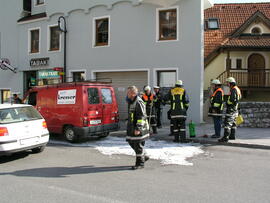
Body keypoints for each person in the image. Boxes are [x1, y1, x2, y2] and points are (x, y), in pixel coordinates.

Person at [126, 86, 150, 170]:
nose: (127, 94)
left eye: (128, 92)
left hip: (139, 128)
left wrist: (138, 128)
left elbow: (142, 117)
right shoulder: (131, 101)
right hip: (132, 127)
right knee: (131, 142)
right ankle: (144, 156)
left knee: (138, 145)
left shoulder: (139, 102)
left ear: (133, 93)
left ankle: (140, 164)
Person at [219, 77, 241, 142]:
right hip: (235, 109)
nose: (227, 84)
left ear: (231, 83)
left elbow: (232, 99)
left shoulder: (233, 89)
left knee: (227, 124)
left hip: (231, 109)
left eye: (228, 83)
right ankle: (232, 136)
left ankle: (225, 138)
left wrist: (227, 102)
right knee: (233, 124)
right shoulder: (237, 89)